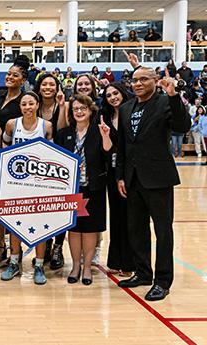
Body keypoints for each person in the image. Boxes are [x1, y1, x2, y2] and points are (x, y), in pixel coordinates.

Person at [116, 53, 191, 301]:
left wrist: (173, 96)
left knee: (163, 231)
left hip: (158, 177)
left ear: (155, 81)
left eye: (143, 79)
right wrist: (120, 176)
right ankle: (143, 272)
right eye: (134, 80)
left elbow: (182, 126)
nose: (137, 84)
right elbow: (123, 145)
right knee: (136, 229)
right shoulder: (126, 108)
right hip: (133, 178)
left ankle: (162, 280)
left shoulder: (164, 102)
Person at [56, 94, 112, 286]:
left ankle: (87, 267)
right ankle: (75, 266)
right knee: (74, 229)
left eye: (83, 108)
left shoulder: (99, 131)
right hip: (71, 190)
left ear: (90, 111)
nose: (79, 112)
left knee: (89, 230)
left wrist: (106, 136)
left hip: (93, 188)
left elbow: (108, 154)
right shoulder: (65, 133)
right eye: (75, 109)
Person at [0, 55, 31, 265]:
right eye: (9, 74)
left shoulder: (25, 101)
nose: (10, 77)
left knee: (11, 207)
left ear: (23, 80)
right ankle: (0, 246)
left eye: (15, 75)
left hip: (13, 158)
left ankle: (14, 251)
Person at [1, 92, 53, 284]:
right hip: (16, 183)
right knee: (15, 225)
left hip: (39, 183)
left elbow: (52, 155)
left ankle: (39, 265)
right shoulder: (12, 125)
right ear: (20, 106)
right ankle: (14, 261)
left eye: (31, 103)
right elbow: (3, 147)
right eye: (24, 104)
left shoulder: (46, 126)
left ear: (37, 104)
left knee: (40, 226)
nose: (27, 107)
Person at [100, 83, 135, 276]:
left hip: (131, 172)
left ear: (123, 93)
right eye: (108, 95)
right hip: (113, 172)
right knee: (116, 216)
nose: (113, 97)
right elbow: (107, 148)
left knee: (131, 218)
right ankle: (115, 260)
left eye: (115, 93)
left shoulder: (134, 112)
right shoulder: (105, 117)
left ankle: (130, 263)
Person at [33, 73, 67, 268]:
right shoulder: (32, 106)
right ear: (39, 87)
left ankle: (58, 247)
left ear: (57, 88)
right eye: (44, 84)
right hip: (37, 163)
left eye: (51, 84)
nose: (48, 87)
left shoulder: (64, 104)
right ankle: (43, 246)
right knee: (41, 208)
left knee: (57, 207)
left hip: (58, 161)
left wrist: (62, 107)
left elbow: (61, 130)